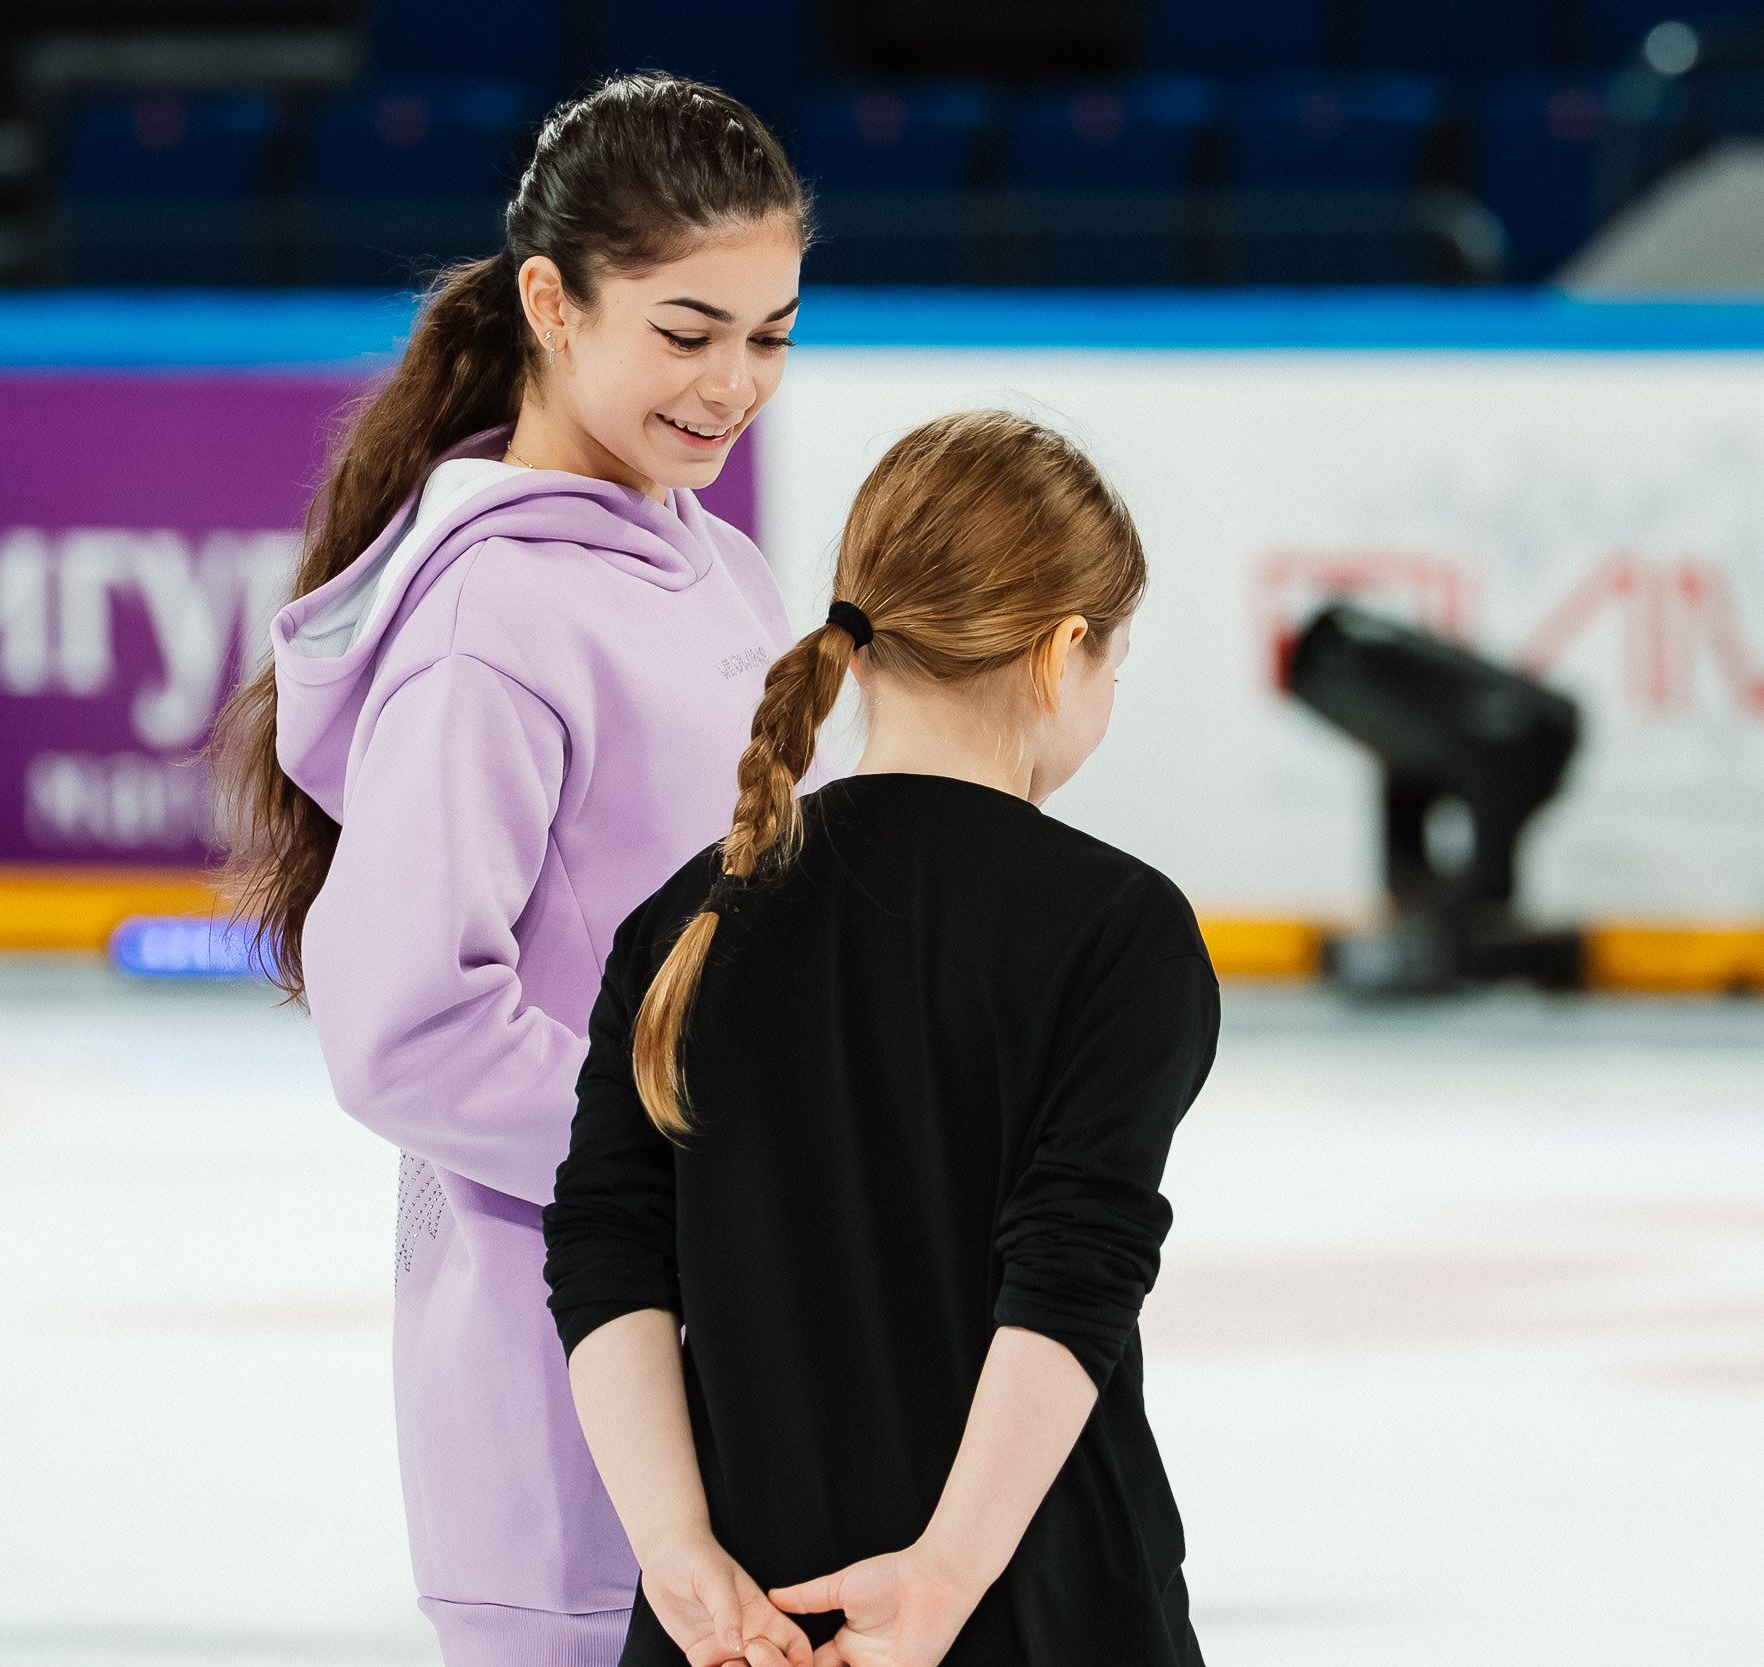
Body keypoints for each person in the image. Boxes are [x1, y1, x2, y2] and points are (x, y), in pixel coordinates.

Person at [212, 74, 810, 1667]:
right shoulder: (493, 625)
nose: (733, 383)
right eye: (687, 333)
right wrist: (716, 1160)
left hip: (732, 1352)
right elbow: (407, 1021)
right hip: (560, 1402)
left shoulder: (722, 565)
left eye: (770, 334)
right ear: (552, 301)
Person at [544, 411, 1221, 1667]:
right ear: (1064, 652)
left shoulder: (686, 916)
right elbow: (1071, 1274)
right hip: (1039, 1604)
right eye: (1114, 658)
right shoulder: (1121, 930)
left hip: (741, 1620)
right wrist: (946, 1573)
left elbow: (603, 1249)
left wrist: (677, 1554)